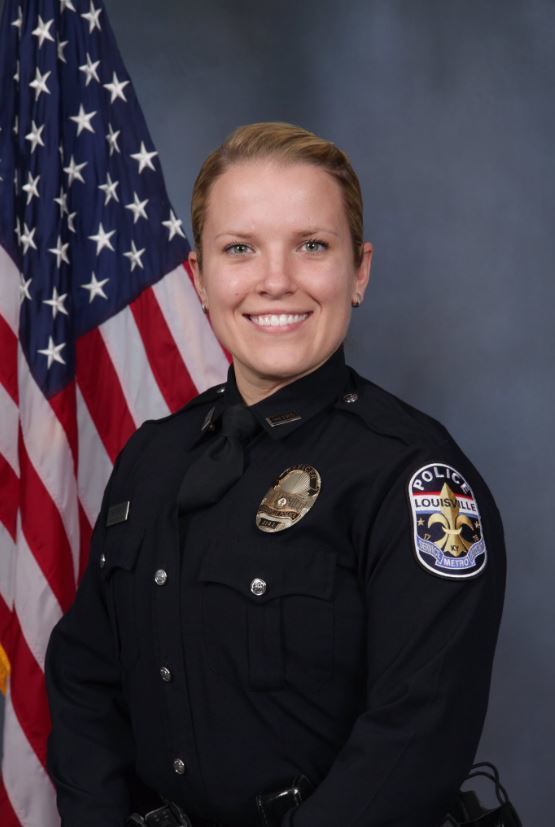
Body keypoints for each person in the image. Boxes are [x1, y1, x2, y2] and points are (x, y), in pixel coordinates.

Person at [45, 122, 506, 827]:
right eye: (239, 249)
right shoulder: (152, 460)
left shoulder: (413, 477)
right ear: (200, 278)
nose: (275, 280)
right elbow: (85, 680)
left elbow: (413, 741)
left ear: (359, 271)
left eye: (312, 245)